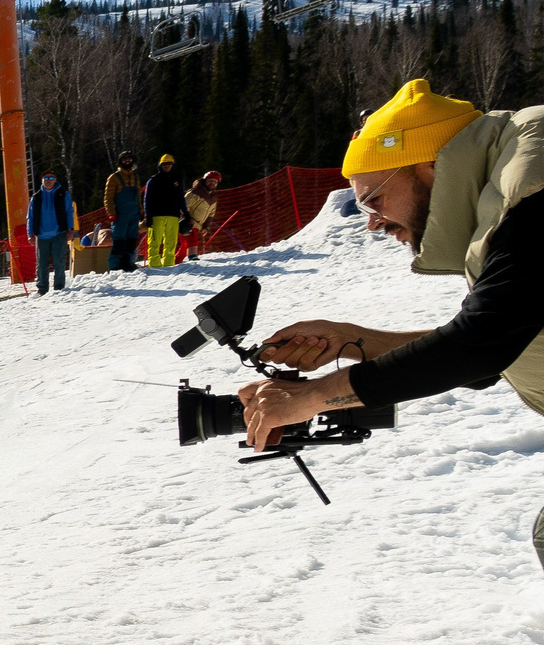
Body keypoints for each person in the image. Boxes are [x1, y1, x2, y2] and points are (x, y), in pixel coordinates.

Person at [240, 81, 544, 545]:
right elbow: (505, 341)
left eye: (374, 200)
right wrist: (353, 341)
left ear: (429, 165)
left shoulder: (529, 183)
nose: (372, 222)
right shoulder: (504, 182)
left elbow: (482, 343)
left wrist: (312, 398)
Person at [28, 173, 76, 294]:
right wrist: (30, 234)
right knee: (41, 263)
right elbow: (30, 217)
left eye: (51, 178)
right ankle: (42, 289)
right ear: (42, 180)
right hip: (41, 235)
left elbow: (69, 211)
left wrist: (71, 229)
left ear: (55, 180)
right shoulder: (36, 197)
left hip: (59, 233)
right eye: (46, 178)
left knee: (59, 261)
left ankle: (59, 288)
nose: (48, 181)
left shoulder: (63, 194)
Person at [143, 153, 187, 267]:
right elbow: (147, 199)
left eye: (169, 164)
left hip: (173, 215)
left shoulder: (177, 179)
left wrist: (186, 213)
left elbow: (181, 197)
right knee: (154, 242)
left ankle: (169, 265)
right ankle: (154, 265)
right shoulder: (153, 180)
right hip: (156, 216)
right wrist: (148, 216)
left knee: (171, 242)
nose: (167, 166)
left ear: (173, 165)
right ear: (160, 165)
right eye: (164, 164)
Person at [104, 152, 143, 273]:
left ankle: (128, 263)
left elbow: (138, 196)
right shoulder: (114, 177)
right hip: (120, 215)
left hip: (134, 214)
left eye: (130, 159)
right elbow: (108, 197)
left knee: (132, 240)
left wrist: (141, 210)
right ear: (120, 161)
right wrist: (111, 212)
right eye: (124, 159)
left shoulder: (136, 176)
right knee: (119, 241)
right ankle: (115, 266)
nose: (127, 161)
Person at [184, 169, 225, 254]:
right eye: (210, 180)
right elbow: (183, 206)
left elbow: (211, 214)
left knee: (184, 246)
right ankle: (193, 260)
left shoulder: (213, 197)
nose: (212, 183)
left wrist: (205, 227)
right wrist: (187, 219)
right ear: (205, 180)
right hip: (187, 223)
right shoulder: (195, 192)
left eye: (215, 181)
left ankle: (177, 263)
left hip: (198, 225)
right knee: (193, 241)